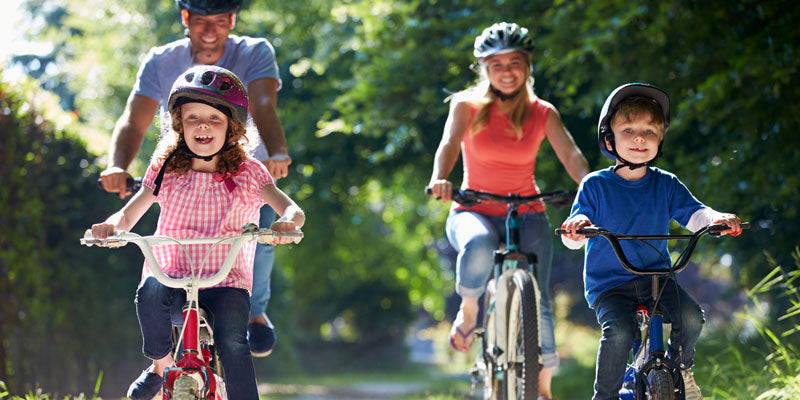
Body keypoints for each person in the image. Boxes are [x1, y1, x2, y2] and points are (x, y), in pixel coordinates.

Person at [89, 66, 305, 400]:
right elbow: (130, 212)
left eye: (214, 119)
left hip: (225, 280)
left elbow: (292, 209)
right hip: (172, 275)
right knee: (148, 293)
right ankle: (161, 367)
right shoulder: (166, 165)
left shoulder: (248, 171)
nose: (202, 125)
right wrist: (111, 227)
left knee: (233, 341)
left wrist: (286, 222)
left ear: (231, 127)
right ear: (179, 124)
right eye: (192, 118)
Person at [97, 0, 288, 357]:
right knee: (167, 245)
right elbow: (134, 119)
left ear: (232, 20)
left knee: (257, 239)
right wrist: (118, 166)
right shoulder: (161, 59)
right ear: (186, 18)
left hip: (239, 177)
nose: (210, 31)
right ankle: (161, 363)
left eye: (220, 21)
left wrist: (276, 153)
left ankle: (255, 313)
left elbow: (263, 105)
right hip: (186, 173)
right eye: (201, 21)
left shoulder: (255, 52)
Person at [427, 22, 589, 400]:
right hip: (473, 207)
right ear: (483, 67)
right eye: (496, 63)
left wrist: (592, 186)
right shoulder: (466, 106)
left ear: (527, 66)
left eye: (514, 62)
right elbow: (449, 144)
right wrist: (440, 177)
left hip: (527, 208)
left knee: (539, 296)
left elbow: (572, 155)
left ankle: (543, 389)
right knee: (480, 243)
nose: (506, 70)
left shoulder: (542, 112)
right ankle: (470, 310)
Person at [559, 83, 742, 400]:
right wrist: (577, 227)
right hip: (609, 283)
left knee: (690, 318)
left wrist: (715, 219)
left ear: (660, 139)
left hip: (657, 278)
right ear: (609, 138)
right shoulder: (595, 185)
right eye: (628, 129)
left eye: (649, 131)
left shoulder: (666, 184)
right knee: (618, 333)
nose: (639, 138)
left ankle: (681, 370)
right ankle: (605, 396)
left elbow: (694, 213)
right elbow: (575, 234)